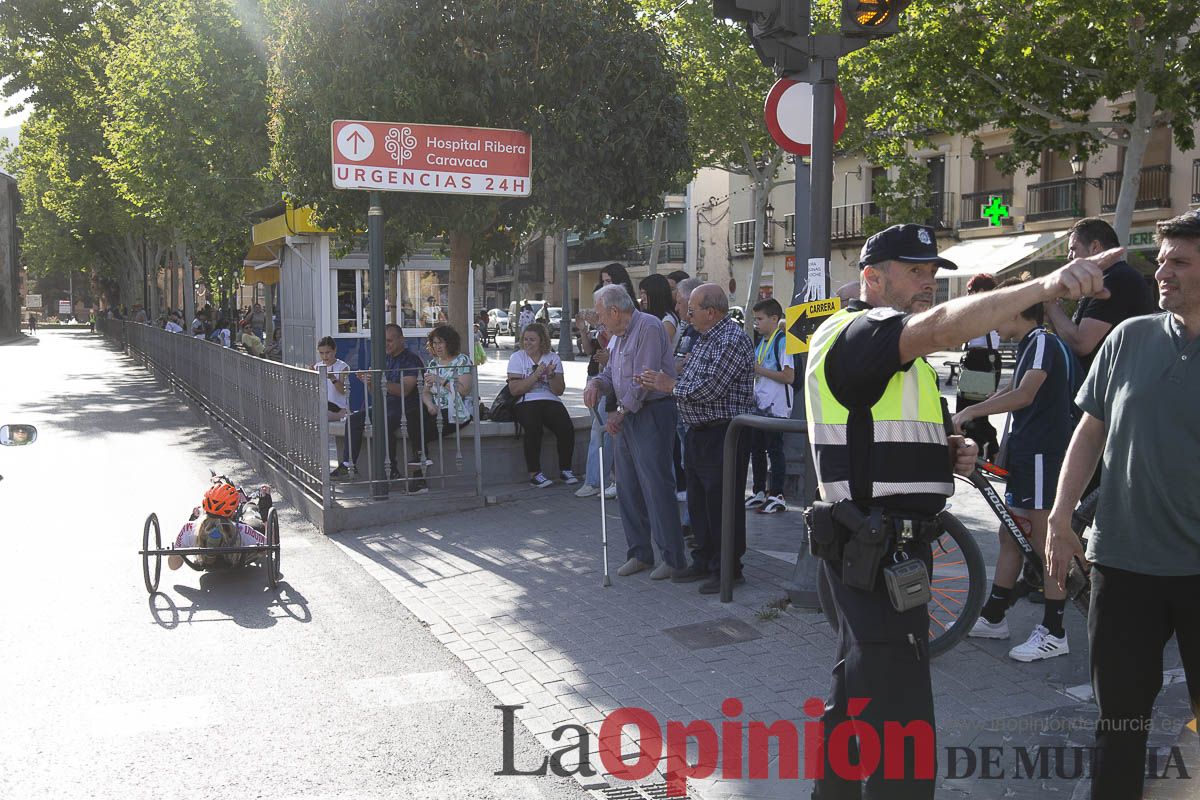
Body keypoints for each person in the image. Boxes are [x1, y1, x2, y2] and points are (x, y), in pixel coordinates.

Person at [802, 222, 1119, 797]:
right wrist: (1043, 286)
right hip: (874, 551)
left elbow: (878, 434)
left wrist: (944, 451)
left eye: (931, 273)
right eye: (914, 271)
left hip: (883, 551)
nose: (927, 283)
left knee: (856, 705)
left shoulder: (899, 356)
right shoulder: (858, 332)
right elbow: (944, 325)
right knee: (901, 730)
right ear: (871, 278)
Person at [1046, 210, 1200, 800]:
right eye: (1161, 260)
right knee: (1120, 725)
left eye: (1179, 262)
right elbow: (1090, 432)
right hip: (1123, 565)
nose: (1162, 272)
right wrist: (1060, 516)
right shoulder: (1129, 337)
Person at [954, 277, 1080, 661]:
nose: (993, 320)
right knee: (1011, 536)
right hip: (1027, 454)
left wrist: (972, 411)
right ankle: (994, 617)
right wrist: (980, 404)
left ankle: (1055, 630)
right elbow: (1011, 388)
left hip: (1043, 454)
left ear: (1015, 309)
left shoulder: (1042, 340)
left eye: (998, 309)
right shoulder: (1030, 344)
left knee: (1047, 544)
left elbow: (1025, 394)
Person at [639, 284, 755, 594]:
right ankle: (704, 560)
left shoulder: (731, 340)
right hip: (699, 432)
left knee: (722, 504)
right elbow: (690, 379)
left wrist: (668, 386)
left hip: (724, 433)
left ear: (712, 312)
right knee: (700, 502)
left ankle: (728, 569)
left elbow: (709, 389)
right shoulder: (704, 338)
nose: (685, 314)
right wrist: (671, 382)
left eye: (691, 310)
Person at [584, 285, 688, 581]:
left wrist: (621, 411)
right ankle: (639, 553)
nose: (601, 322)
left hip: (651, 412)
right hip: (627, 415)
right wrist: (596, 384)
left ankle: (673, 557)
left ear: (615, 311)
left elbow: (645, 378)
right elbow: (612, 374)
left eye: (602, 315)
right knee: (628, 486)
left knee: (656, 485)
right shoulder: (618, 337)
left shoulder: (650, 327)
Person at [1044, 217, 1155, 374]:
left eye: (1073, 249)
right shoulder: (1106, 279)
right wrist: (1054, 316)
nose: (1069, 256)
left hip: (1111, 389)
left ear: (1094, 247)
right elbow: (1072, 343)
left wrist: (1051, 307)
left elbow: (1081, 344)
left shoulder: (1116, 279)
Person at [334, 324, 425, 484]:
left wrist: (379, 381)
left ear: (401, 340)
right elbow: (375, 392)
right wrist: (369, 383)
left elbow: (405, 391)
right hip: (386, 404)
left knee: (383, 422)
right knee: (353, 420)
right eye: (383, 341)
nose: (386, 344)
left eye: (389, 341)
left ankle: (392, 469)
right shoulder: (383, 358)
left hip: (407, 407)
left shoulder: (411, 360)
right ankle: (348, 465)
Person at [507, 322, 577, 488]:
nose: (527, 343)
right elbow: (514, 390)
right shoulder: (517, 357)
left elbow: (559, 390)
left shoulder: (553, 358)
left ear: (542, 341)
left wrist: (552, 376)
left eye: (532, 340)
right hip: (526, 400)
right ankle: (535, 473)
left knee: (565, 425)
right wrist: (536, 375)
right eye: (525, 339)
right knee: (533, 427)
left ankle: (566, 469)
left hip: (549, 398)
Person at [744, 298, 794, 515]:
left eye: (760, 319)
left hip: (777, 406)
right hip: (760, 403)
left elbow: (788, 376)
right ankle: (759, 491)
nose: (756, 323)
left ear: (774, 319)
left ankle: (777, 493)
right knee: (756, 449)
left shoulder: (783, 342)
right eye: (755, 319)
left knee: (775, 450)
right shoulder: (762, 342)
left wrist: (758, 370)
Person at [954, 273, 1003, 462]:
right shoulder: (991, 308)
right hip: (980, 361)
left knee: (972, 409)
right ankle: (989, 450)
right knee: (976, 408)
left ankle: (989, 450)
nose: (968, 295)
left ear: (981, 291)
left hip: (980, 361)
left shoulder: (983, 309)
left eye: (970, 291)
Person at [168, 482, 267, 571]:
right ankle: (250, 502)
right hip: (236, 562)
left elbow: (173, 566)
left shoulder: (189, 528)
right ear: (232, 511)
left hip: (204, 561)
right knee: (250, 510)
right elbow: (267, 547)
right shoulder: (242, 530)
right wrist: (266, 507)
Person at [575, 307, 617, 499]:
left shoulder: (617, 324)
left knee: (600, 431)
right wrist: (584, 330)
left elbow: (615, 354)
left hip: (611, 381)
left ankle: (595, 480)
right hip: (599, 376)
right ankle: (606, 478)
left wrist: (599, 325)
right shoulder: (603, 327)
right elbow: (591, 350)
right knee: (601, 430)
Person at [421, 324, 475, 438]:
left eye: (440, 343)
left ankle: (421, 454)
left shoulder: (462, 361)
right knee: (413, 417)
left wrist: (439, 380)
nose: (437, 347)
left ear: (449, 343)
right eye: (434, 343)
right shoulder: (433, 363)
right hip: (437, 408)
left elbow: (463, 390)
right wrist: (430, 405)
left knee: (425, 430)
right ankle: (420, 454)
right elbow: (426, 391)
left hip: (457, 409)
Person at [314, 336, 351, 421]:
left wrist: (332, 378)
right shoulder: (317, 366)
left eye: (327, 352)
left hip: (338, 408)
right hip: (323, 406)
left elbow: (343, 391)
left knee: (322, 416)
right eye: (321, 353)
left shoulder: (342, 367)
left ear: (334, 350)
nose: (324, 356)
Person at [638, 273, 679, 343]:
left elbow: (655, 349)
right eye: (641, 293)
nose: (642, 298)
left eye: (645, 293)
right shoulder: (649, 317)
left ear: (656, 294)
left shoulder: (667, 322)